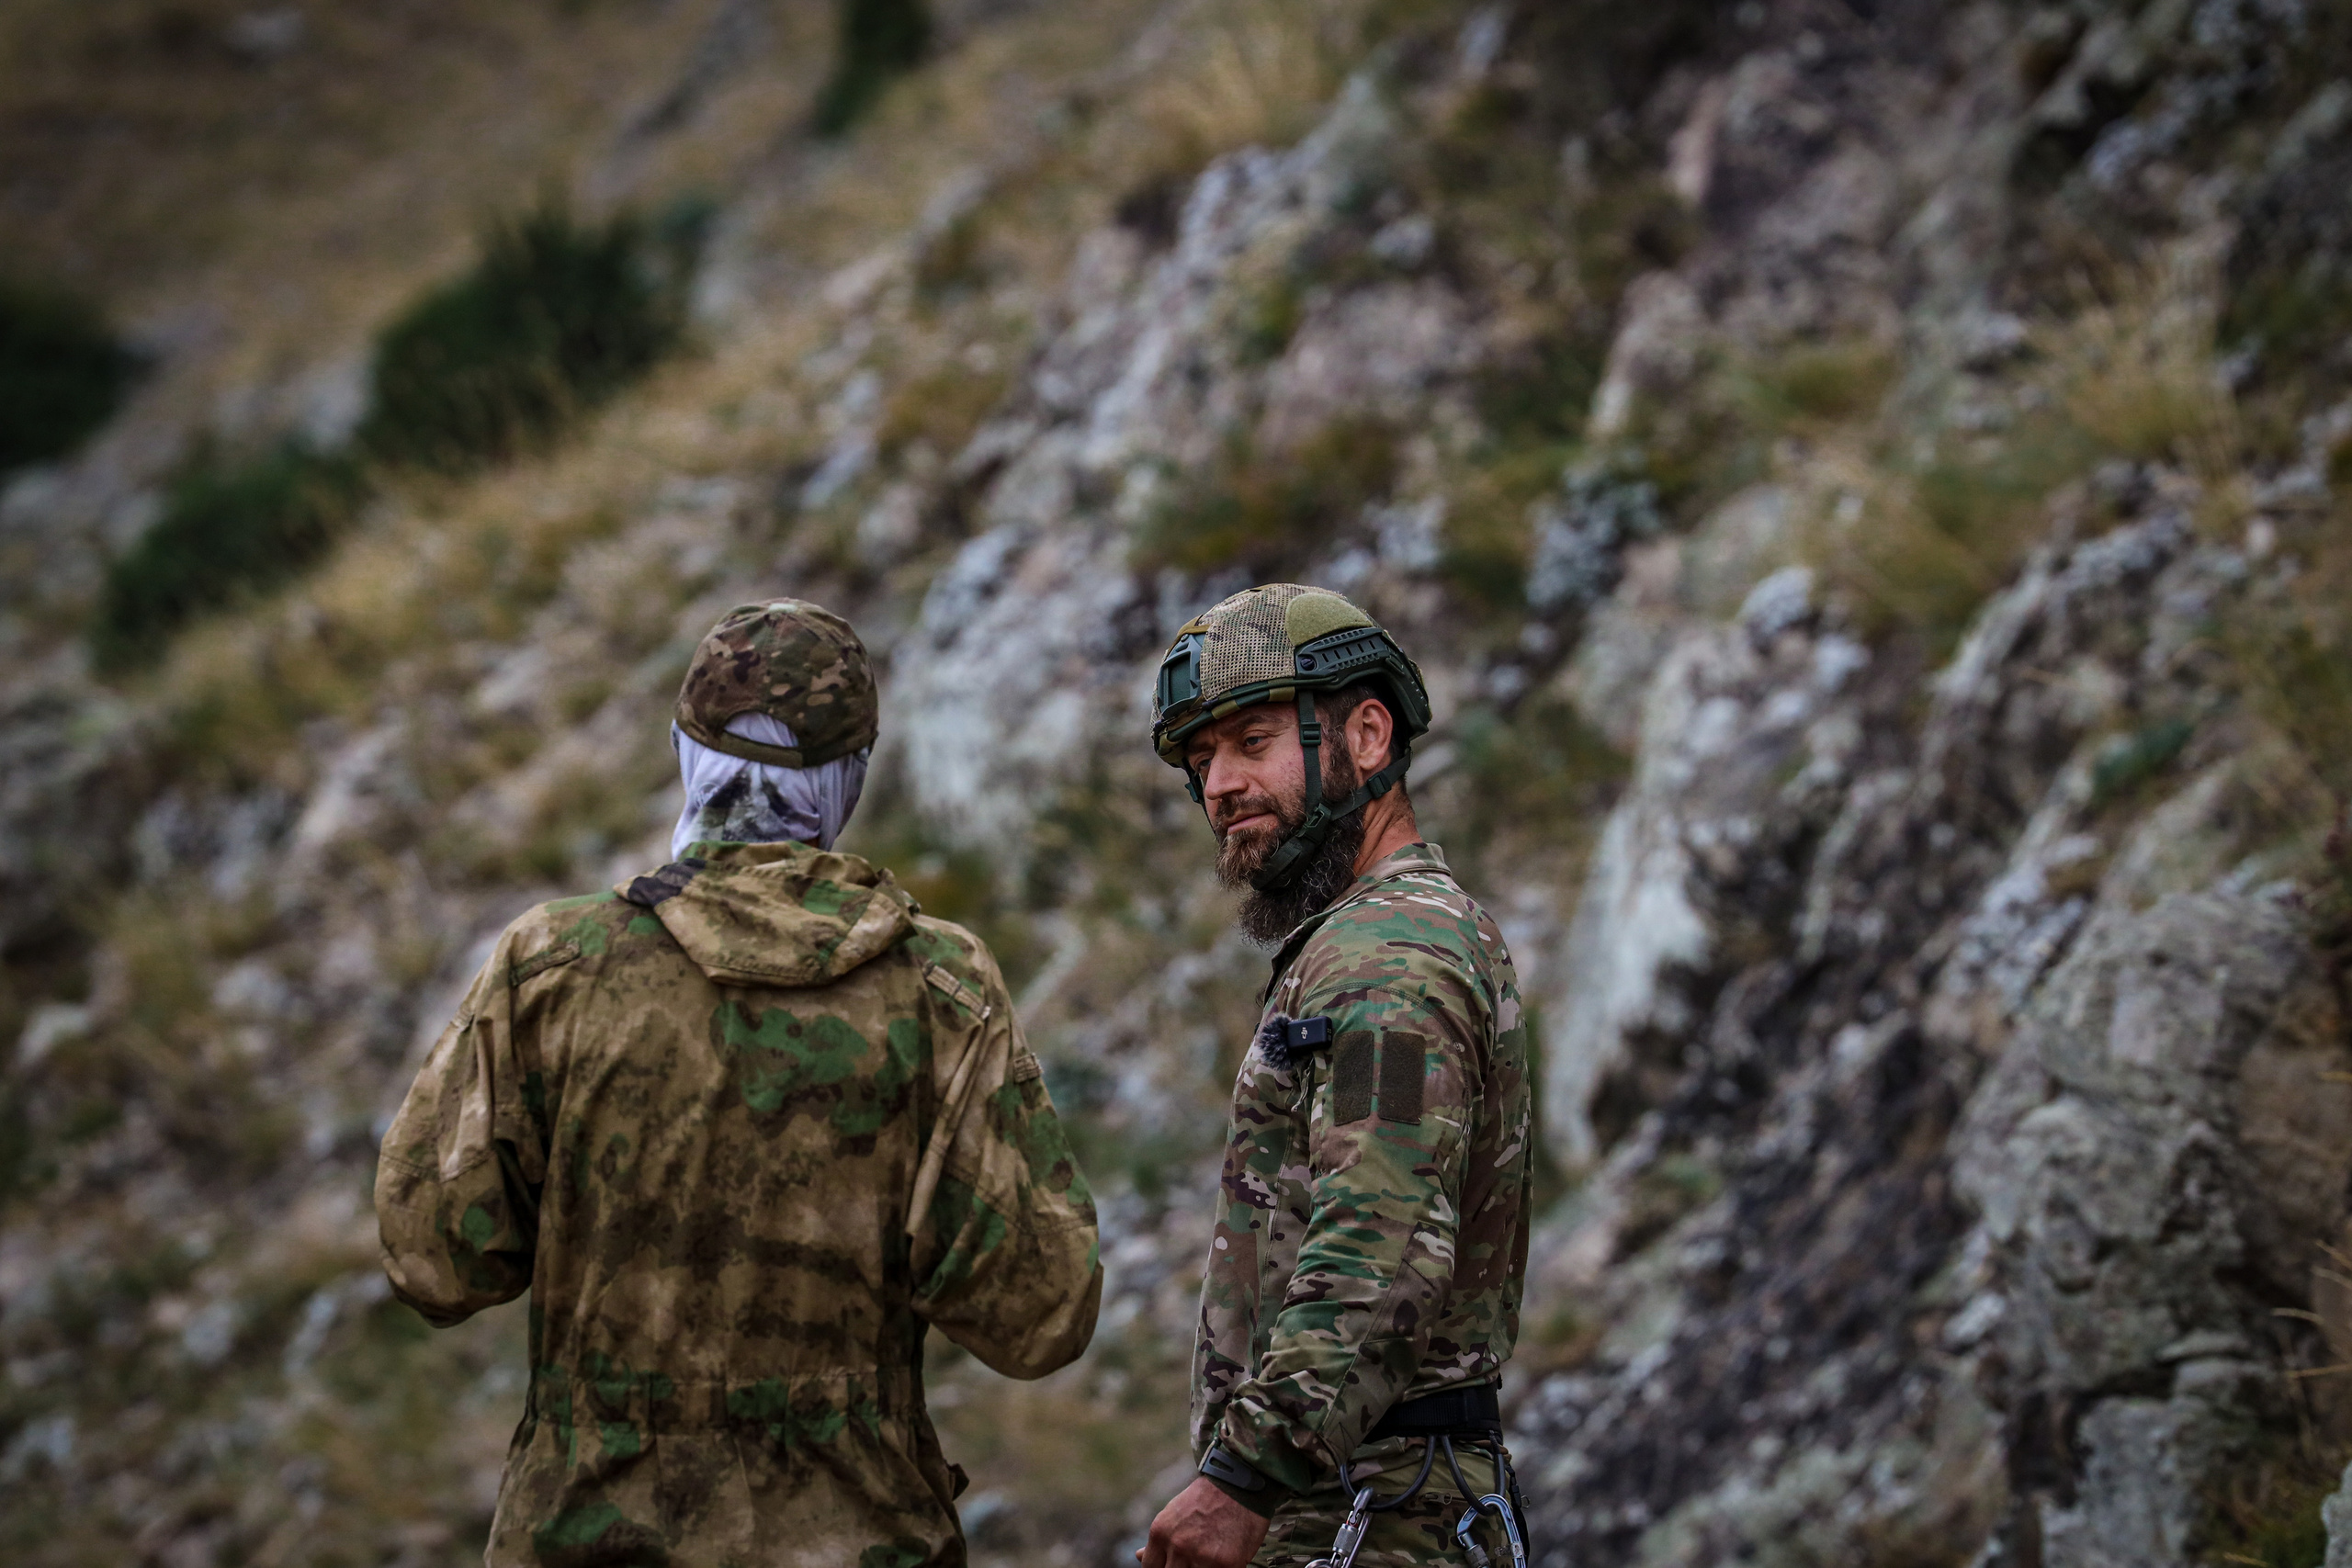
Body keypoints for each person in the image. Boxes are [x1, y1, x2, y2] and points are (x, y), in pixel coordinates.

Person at [376, 598, 1101, 1568]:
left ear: (684, 753)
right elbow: (1039, 1312)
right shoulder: (937, 989)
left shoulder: (553, 968)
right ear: (849, 779)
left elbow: (435, 1257)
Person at [1136, 585, 1533, 1568]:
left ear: (1364, 736)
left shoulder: (1388, 955)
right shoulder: (1364, 943)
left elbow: (1384, 1242)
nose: (1220, 784)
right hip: (1362, 1501)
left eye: (1252, 741)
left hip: (1371, 1510)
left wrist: (1243, 1481)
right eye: (1200, 761)